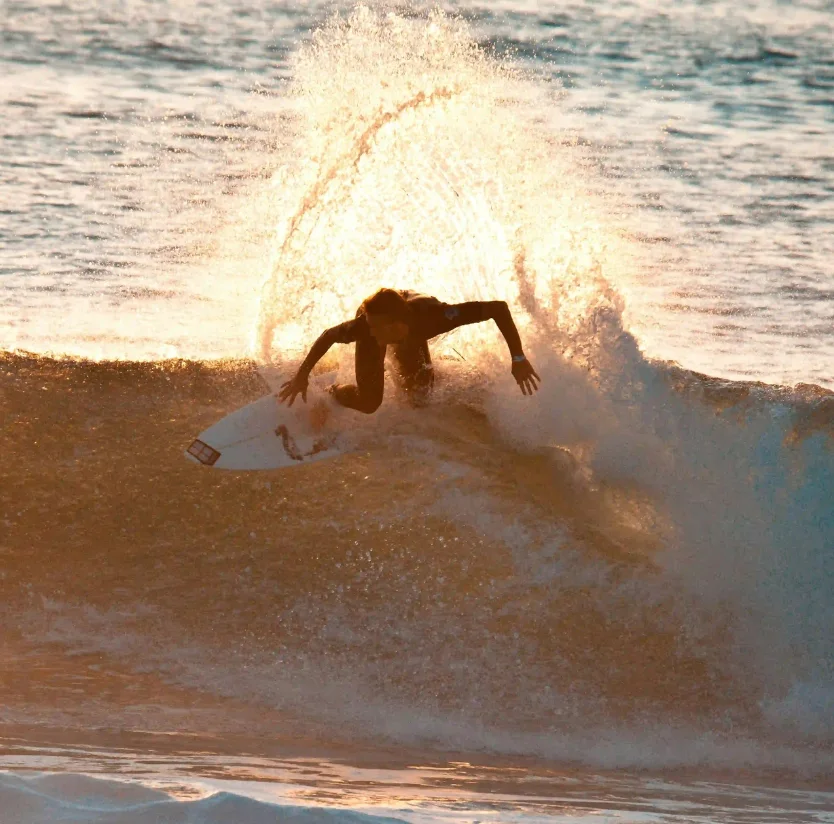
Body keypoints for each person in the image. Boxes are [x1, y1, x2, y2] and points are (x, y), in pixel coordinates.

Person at [278, 288, 540, 414]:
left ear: (394, 325)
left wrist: (518, 358)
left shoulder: (436, 318)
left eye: (376, 328)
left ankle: (410, 365)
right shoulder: (366, 327)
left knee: (420, 399)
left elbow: (498, 308)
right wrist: (303, 375)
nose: (369, 333)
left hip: (406, 317)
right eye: (368, 327)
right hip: (383, 309)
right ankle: (333, 393)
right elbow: (329, 336)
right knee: (370, 403)